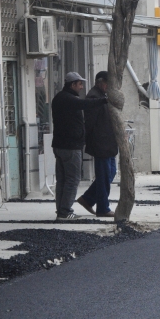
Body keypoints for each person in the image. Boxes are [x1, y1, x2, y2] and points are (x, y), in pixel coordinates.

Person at [51, 72, 108, 220]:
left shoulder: (59, 98)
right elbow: (85, 104)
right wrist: (104, 100)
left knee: (62, 180)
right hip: (70, 146)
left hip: (59, 145)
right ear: (73, 84)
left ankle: (61, 211)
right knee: (72, 179)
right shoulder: (68, 99)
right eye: (80, 84)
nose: (82, 87)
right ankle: (65, 211)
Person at [77, 71, 118, 218]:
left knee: (110, 173)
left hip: (108, 143)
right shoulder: (94, 97)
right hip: (101, 143)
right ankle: (102, 207)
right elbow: (90, 123)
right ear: (100, 82)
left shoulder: (103, 95)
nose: (109, 86)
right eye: (107, 83)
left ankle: (88, 199)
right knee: (104, 176)